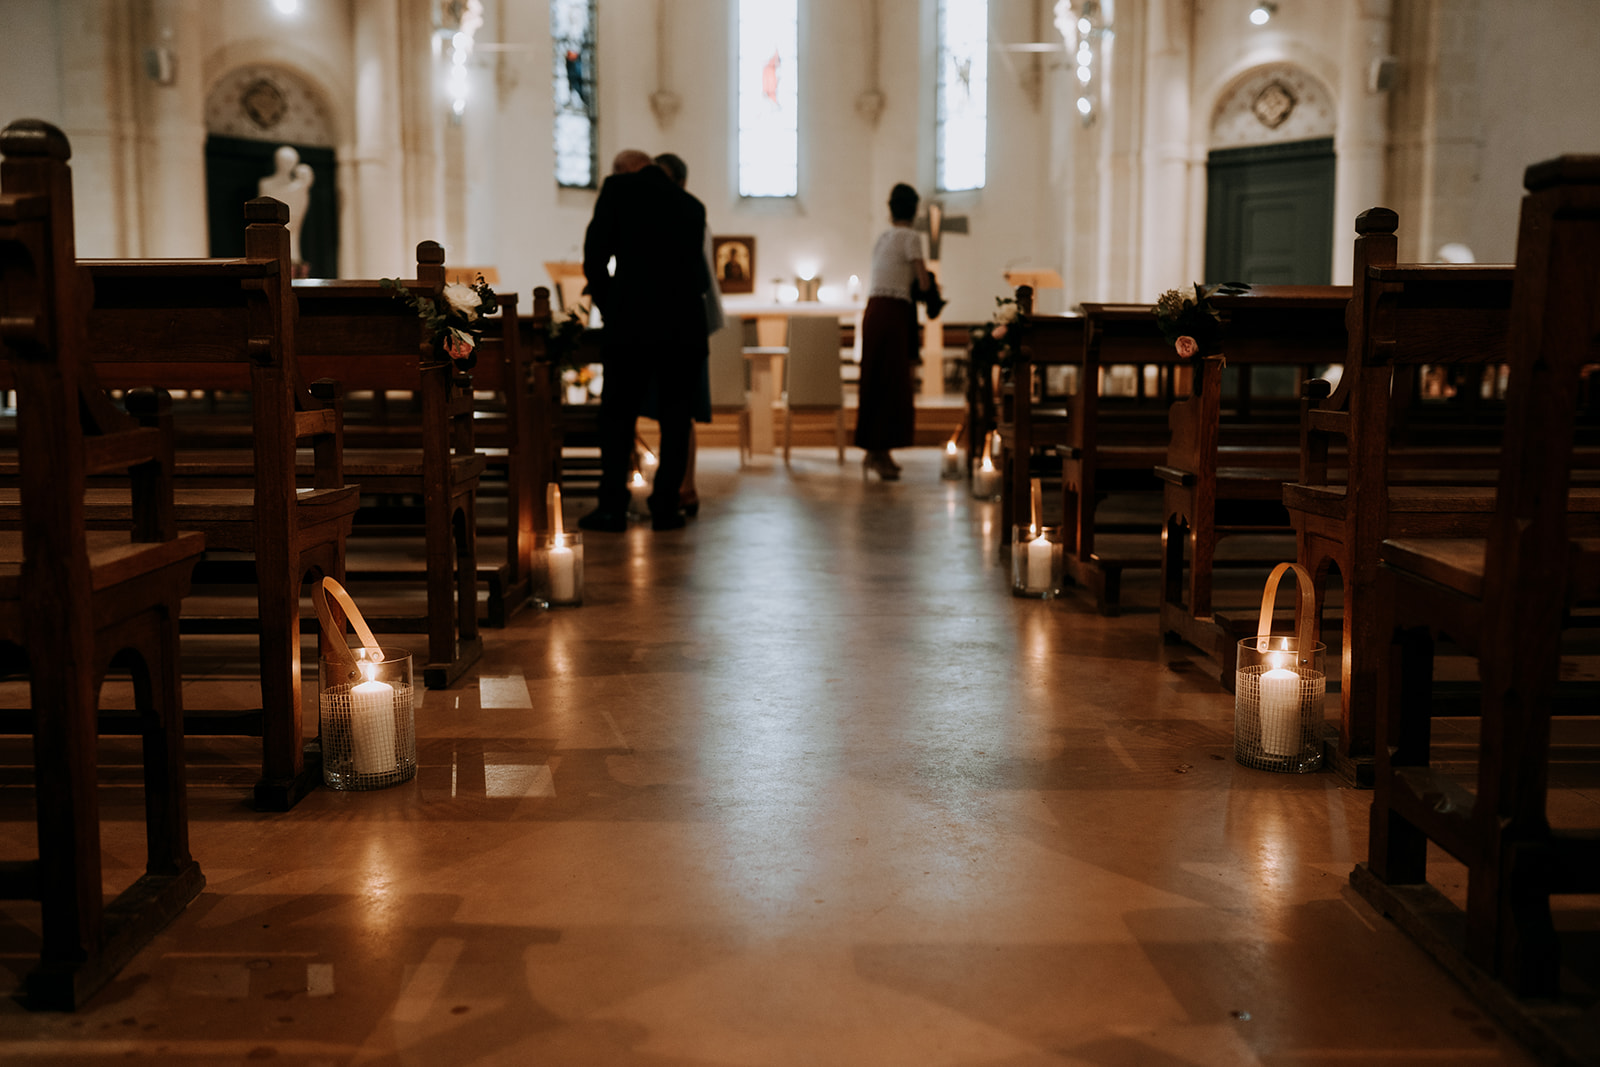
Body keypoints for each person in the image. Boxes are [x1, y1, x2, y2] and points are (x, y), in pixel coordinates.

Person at [579, 148, 711, 532]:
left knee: (618, 416)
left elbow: (594, 258)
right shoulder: (692, 206)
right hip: (683, 327)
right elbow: (697, 275)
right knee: (675, 419)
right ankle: (666, 507)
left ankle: (612, 507)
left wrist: (611, 304)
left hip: (632, 324)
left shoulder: (619, 190)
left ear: (622, 170)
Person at [647, 151, 721, 517]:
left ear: (678, 181)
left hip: (687, 328)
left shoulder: (690, 215)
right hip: (667, 327)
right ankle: (673, 487)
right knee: (670, 411)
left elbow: (702, 279)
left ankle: (686, 486)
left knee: (682, 411)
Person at [855, 182, 931, 481]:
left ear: (891, 211)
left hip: (874, 312)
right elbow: (923, 283)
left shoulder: (883, 237)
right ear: (914, 211)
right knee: (891, 384)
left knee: (875, 382)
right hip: (894, 314)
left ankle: (876, 452)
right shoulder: (911, 237)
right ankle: (879, 454)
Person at [258, 145, 314, 269]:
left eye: (291, 161)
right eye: (284, 161)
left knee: (291, 242)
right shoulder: (266, 184)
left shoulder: (298, 187)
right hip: (270, 233)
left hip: (292, 225)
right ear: (277, 161)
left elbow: (298, 212)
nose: (287, 165)